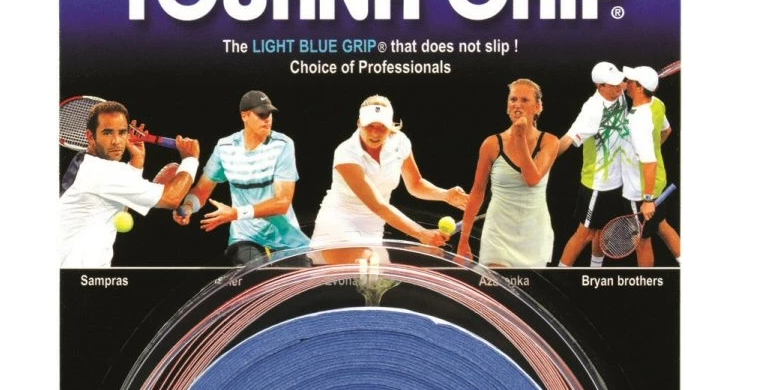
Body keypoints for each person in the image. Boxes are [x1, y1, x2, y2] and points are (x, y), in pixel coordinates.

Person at [308, 95, 468, 264]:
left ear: (391, 126)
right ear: (359, 123)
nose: (375, 133)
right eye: (370, 125)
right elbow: (378, 205)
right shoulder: (346, 153)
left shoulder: (400, 142)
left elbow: (415, 184)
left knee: (378, 274)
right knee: (368, 265)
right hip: (337, 223)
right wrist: (421, 233)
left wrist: (446, 195)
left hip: (374, 227)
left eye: (382, 127)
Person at [60, 100, 201, 268]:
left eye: (122, 132)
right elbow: (171, 198)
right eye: (107, 133)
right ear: (90, 136)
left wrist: (137, 161)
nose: (116, 141)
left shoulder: (86, 164)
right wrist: (191, 159)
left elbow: (121, 200)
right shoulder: (104, 172)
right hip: (77, 274)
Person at [174, 90, 310, 265]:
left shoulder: (283, 144)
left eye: (269, 114)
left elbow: (282, 202)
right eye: (261, 114)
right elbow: (201, 190)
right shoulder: (224, 147)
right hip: (245, 238)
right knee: (255, 276)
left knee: (300, 282)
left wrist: (236, 213)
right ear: (244, 116)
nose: (267, 119)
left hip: (286, 239)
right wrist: (187, 207)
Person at [457, 79, 559, 267]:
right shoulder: (491, 144)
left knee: (526, 287)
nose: (517, 104)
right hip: (497, 236)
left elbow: (532, 179)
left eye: (524, 100)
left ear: (538, 107)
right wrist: (463, 240)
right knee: (496, 284)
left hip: (534, 237)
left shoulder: (550, 142)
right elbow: (477, 192)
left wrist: (520, 138)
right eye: (513, 99)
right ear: (507, 107)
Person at [555, 62, 629, 267]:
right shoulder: (592, 109)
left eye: (619, 81)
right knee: (585, 233)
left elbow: (629, 85)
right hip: (597, 185)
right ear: (600, 86)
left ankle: (595, 271)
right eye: (613, 84)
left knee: (603, 231)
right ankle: (560, 272)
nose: (619, 86)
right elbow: (568, 138)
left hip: (617, 181)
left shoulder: (618, 90)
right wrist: (541, 164)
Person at [619, 65, 680, 267]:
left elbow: (649, 162)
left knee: (641, 241)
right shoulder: (657, 104)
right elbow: (667, 131)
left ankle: (646, 281)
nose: (626, 83)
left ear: (639, 88)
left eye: (630, 81)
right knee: (662, 226)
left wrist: (647, 200)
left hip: (641, 189)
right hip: (658, 180)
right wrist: (649, 149)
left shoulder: (637, 121)